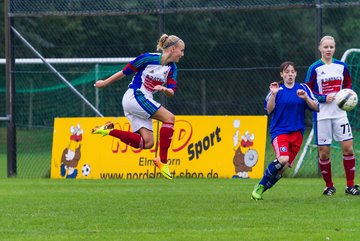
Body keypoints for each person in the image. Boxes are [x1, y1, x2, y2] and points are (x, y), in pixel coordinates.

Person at [92, 34, 185, 180]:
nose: (182, 54)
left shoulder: (172, 68)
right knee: (170, 118)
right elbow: (124, 72)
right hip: (135, 96)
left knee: (148, 142)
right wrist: (105, 83)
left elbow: (171, 91)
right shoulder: (147, 58)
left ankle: (110, 131)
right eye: (181, 50)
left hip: (142, 100)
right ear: (173, 49)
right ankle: (163, 161)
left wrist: (166, 90)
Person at [251, 61, 319, 200]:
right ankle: (260, 185)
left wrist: (306, 98)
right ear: (281, 74)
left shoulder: (303, 88)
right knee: (283, 159)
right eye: (286, 72)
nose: (290, 74)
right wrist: (274, 94)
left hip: (297, 133)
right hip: (280, 131)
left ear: (296, 74)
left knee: (283, 167)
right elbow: (269, 110)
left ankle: (261, 190)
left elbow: (316, 107)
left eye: (292, 71)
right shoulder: (277, 90)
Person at [305, 35, 359, 195]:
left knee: (348, 148)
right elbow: (308, 90)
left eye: (331, 47)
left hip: (340, 114)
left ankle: (350, 186)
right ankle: (329, 186)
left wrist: (345, 95)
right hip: (322, 115)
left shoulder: (341, 66)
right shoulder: (314, 68)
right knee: (324, 152)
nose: (328, 50)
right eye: (326, 47)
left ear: (334, 49)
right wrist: (322, 97)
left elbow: (348, 84)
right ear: (320, 48)